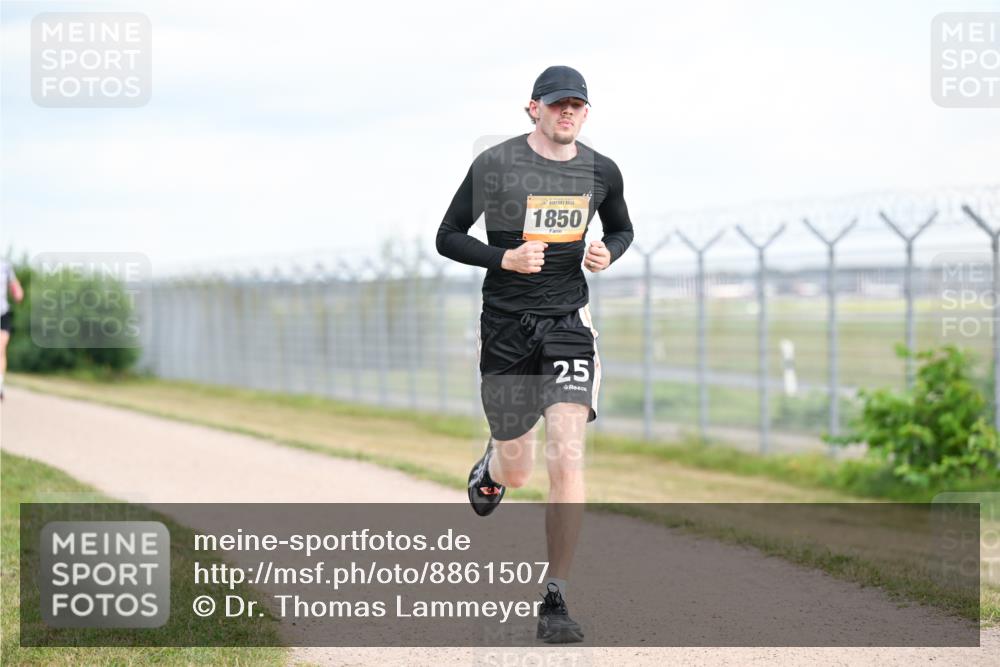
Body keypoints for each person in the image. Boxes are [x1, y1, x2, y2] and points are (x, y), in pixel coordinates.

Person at [436, 65, 634, 643]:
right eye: (556, 104)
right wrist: (504, 258)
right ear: (534, 108)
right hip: (506, 327)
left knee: (566, 457)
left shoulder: (601, 171)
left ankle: (556, 598)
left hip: (569, 324)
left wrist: (608, 252)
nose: (566, 112)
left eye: (576, 105)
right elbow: (448, 235)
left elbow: (622, 229)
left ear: (585, 113)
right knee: (519, 469)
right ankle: (492, 467)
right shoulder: (495, 164)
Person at [0, 258, 24, 401]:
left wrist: (18, 292)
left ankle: (0, 384)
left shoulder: (5, 266)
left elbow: (14, 285)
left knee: (0, 348)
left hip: (2, 313)